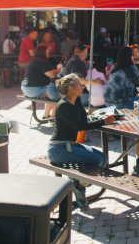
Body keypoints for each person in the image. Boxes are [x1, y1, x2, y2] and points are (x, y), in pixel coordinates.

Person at [47, 74, 114, 208]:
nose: (82, 86)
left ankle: (78, 183)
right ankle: (80, 186)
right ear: (71, 89)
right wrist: (102, 121)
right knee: (97, 161)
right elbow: (79, 126)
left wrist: (94, 118)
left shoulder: (76, 101)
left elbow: (83, 120)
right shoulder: (63, 106)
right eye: (79, 85)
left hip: (70, 146)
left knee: (102, 158)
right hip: (59, 149)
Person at [21, 45, 62, 120]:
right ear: (43, 52)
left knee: (50, 90)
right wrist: (59, 69)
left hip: (25, 88)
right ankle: (53, 118)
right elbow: (52, 75)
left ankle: (46, 116)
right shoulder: (42, 62)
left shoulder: (34, 60)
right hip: (33, 89)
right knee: (54, 92)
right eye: (47, 50)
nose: (48, 52)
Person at [64, 42, 105, 107]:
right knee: (100, 98)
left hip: (70, 93)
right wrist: (94, 81)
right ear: (85, 51)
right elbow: (77, 80)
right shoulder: (78, 62)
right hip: (74, 96)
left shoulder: (75, 59)